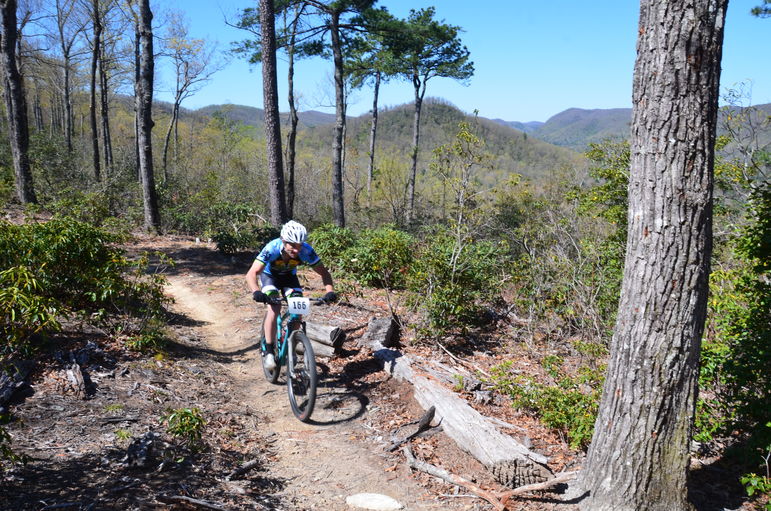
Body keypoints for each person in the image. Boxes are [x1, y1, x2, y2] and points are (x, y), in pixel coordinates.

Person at [245, 220, 336, 371]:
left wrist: (330, 291)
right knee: (275, 308)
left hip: (289, 278)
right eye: (292, 245)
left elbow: (324, 273)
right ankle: (268, 350)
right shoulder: (272, 248)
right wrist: (256, 291)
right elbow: (251, 273)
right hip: (270, 277)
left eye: (299, 245)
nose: (296, 249)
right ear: (283, 241)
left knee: (298, 311)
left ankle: (291, 347)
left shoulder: (306, 250)